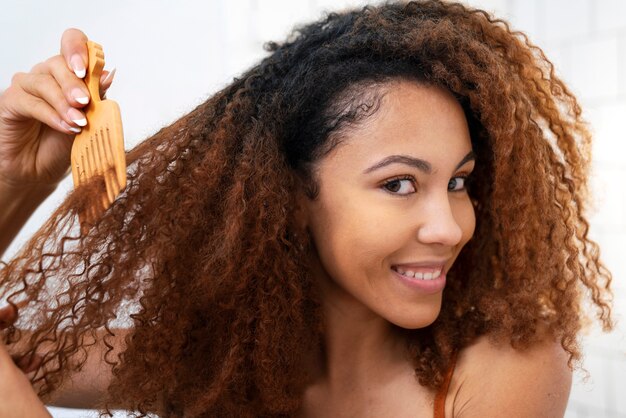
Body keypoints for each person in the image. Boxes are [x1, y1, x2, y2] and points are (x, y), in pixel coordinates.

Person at [0, 1, 614, 417]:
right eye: (399, 184)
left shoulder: (507, 365)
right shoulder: (206, 363)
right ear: (290, 196)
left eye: (458, 182)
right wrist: (19, 176)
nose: (449, 226)